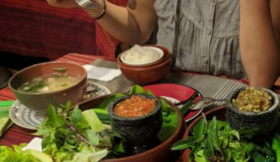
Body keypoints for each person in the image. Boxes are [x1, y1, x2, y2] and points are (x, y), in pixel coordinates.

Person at [46, 0, 280, 88]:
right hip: (168, 97)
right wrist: (91, 4)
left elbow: (262, 78)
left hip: (235, 106)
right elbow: (138, 28)